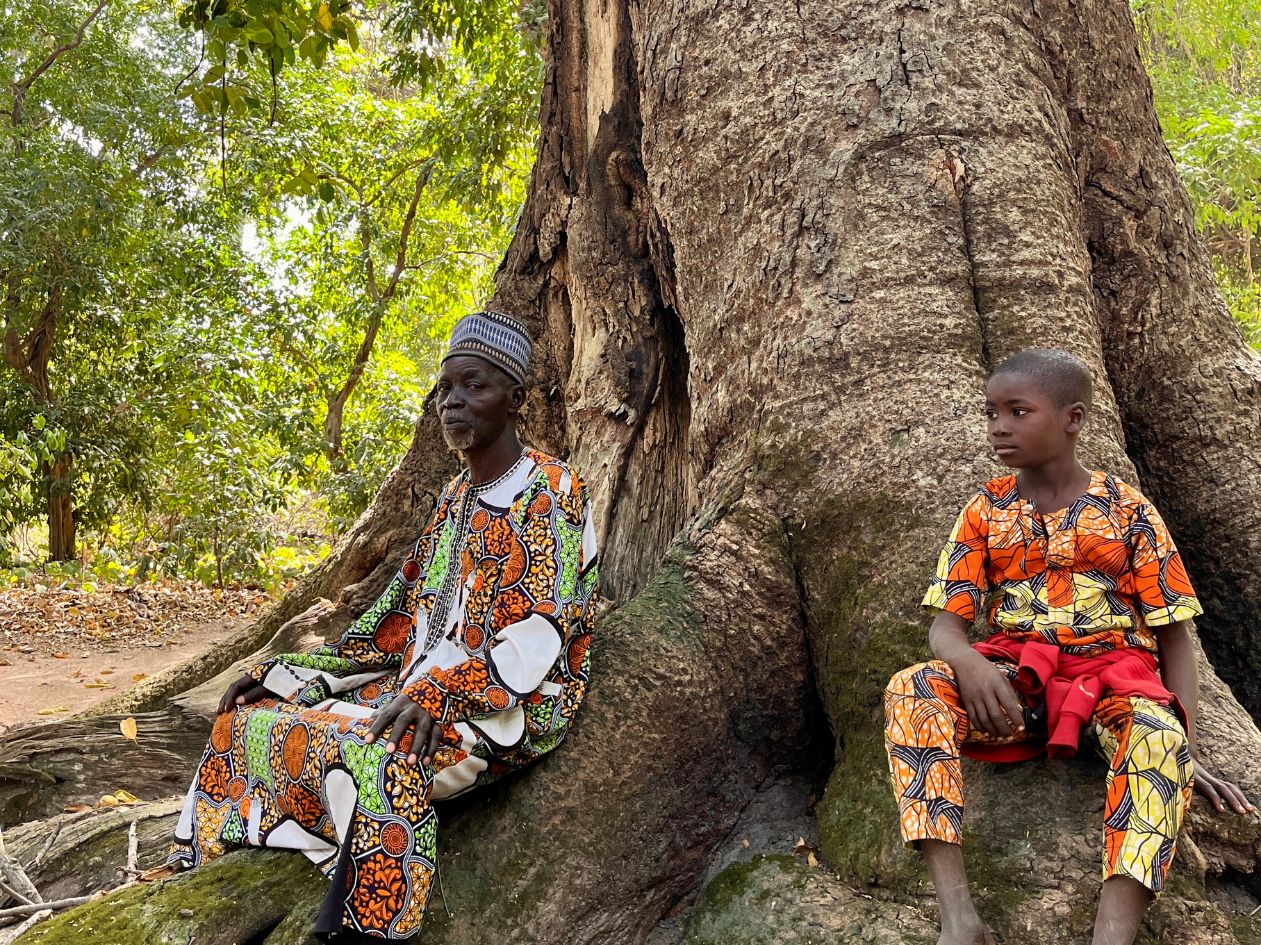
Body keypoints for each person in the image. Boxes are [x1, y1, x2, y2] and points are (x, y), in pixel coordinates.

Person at [166, 311, 600, 941]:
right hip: (416, 696)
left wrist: (438, 694)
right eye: (446, 388)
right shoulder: (454, 500)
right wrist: (294, 679)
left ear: (516, 399)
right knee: (243, 723)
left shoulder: (552, 490)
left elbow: (540, 637)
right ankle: (199, 875)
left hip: (507, 709)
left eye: (474, 386)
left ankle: (362, 928)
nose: (453, 401)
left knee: (377, 758)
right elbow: (390, 627)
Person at [882, 348, 1251, 945]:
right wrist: (970, 661)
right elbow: (945, 626)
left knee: (1158, 743)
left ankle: (1113, 934)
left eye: (1019, 411)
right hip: (1015, 687)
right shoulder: (986, 511)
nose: (1000, 426)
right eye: (992, 412)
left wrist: (1184, 743)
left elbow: (1174, 635)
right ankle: (959, 921)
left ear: (1074, 419)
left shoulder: (1129, 512)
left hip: (1113, 684)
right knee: (911, 692)